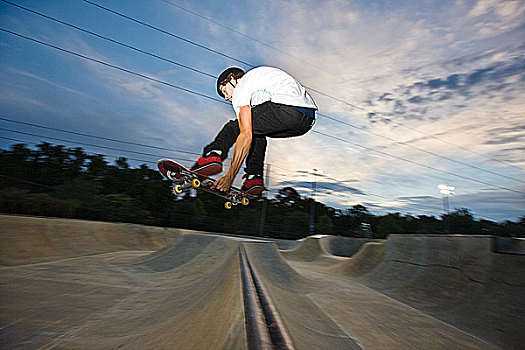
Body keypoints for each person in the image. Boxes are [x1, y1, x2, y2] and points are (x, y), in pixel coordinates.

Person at [191, 66, 317, 195]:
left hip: (288, 108)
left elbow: (245, 135)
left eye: (224, 91)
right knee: (256, 132)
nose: (227, 97)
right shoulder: (257, 85)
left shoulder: (242, 85)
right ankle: (254, 178)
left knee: (235, 127)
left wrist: (230, 176)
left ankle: (212, 155)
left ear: (232, 79)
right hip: (306, 120)